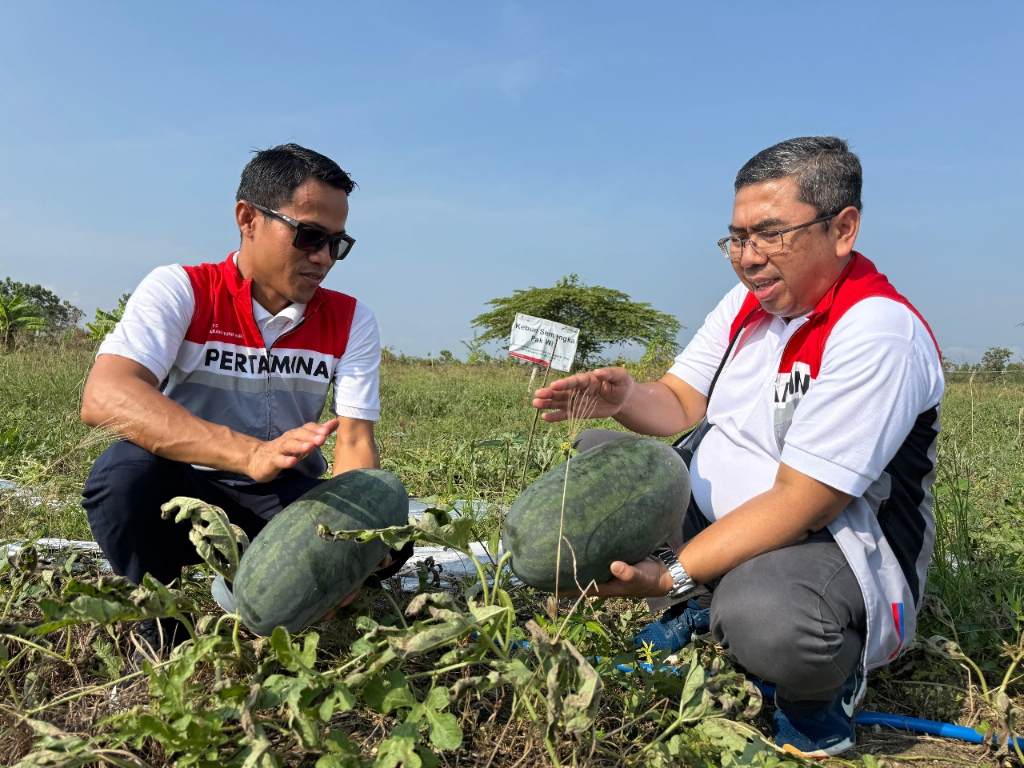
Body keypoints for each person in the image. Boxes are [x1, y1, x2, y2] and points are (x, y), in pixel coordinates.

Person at [532, 136, 944, 758]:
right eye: (737, 238)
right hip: (726, 516)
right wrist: (624, 398)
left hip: (825, 541)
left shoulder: (877, 332)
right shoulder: (749, 305)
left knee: (768, 618)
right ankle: (706, 598)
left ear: (843, 229)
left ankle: (821, 690)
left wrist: (668, 575)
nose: (748, 259)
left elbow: (802, 503)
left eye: (770, 235)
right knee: (601, 454)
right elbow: (679, 402)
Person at [81, 143, 404, 649]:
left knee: (388, 536)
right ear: (248, 219)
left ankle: (262, 594)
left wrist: (352, 547)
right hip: (182, 489)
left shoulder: (351, 319)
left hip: (281, 495)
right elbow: (106, 394)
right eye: (309, 236)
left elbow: (355, 441)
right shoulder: (183, 289)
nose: (323, 258)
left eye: (336, 244)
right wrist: (249, 453)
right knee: (122, 478)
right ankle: (161, 613)